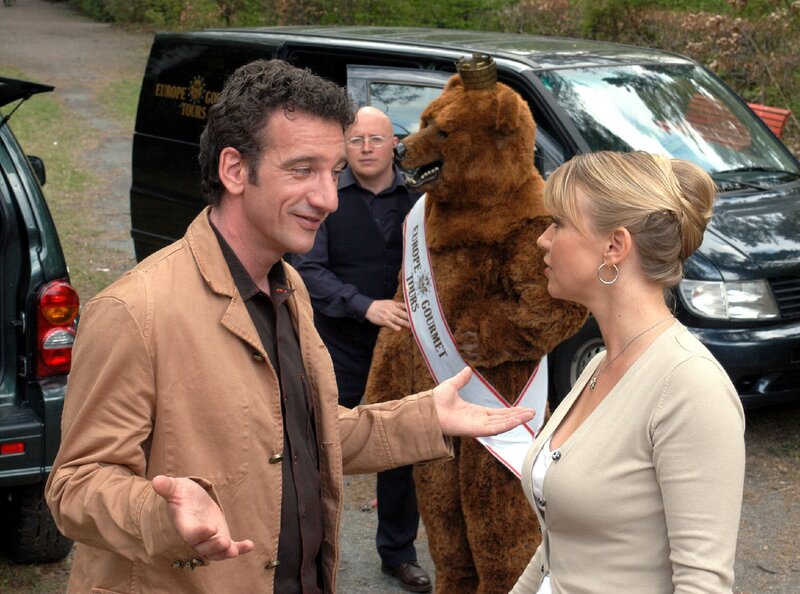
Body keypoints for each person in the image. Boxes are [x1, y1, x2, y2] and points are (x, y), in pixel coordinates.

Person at [44, 59, 536, 594]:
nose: (328, 198)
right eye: (303, 170)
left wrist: (424, 418)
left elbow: (306, 436)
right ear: (235, 170)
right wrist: (163, 515)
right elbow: (75, 486)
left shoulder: (290, 287)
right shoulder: (134, 311)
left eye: (333, 172)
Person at [510, 151, 745, 594]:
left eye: (558, 223)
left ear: (614, 246)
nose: (543, 239)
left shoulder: (690, 386)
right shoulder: (599, 365)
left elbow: (702, 583)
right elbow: (561, 544)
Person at [294, 106, 430, 592]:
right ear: (345, 147)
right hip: (339, 347)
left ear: (395, 143)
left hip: (403, 348)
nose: (367, 148)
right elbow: (308, 269)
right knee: (319, 449)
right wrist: (364, 305)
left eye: (376, 138)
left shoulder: (421, 199)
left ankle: (398, 554)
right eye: (356, 140)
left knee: (400, 447)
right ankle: (306, 556)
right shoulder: (326, 196)